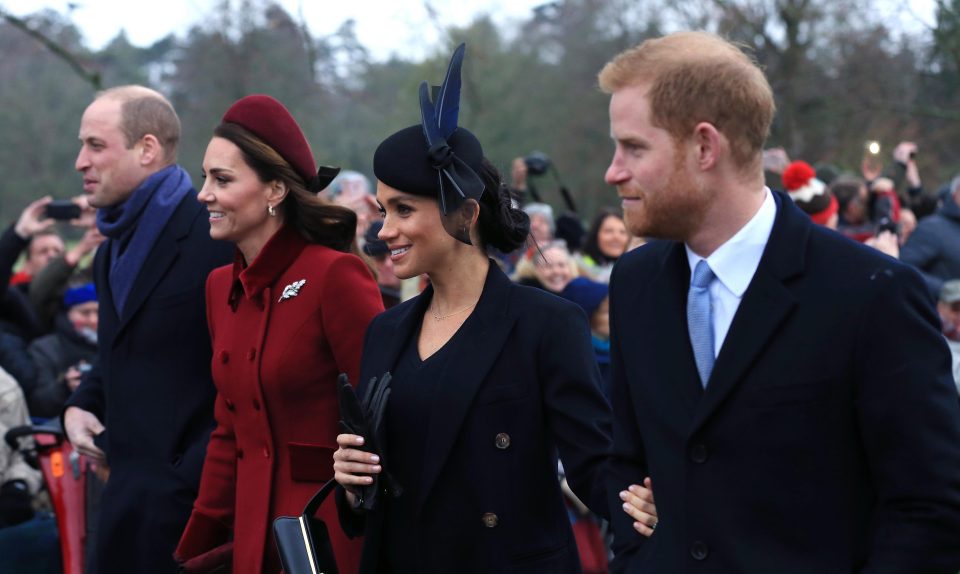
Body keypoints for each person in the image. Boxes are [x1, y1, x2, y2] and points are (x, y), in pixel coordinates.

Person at [600, 31, 960, 572]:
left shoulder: (871, 293)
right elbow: (626, 458)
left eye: (634, 147)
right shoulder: (635, 282)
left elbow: (930, 505)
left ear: (704, 146)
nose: (613, 171)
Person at [332, 44, 611, 573]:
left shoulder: (545, 324)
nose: (383, 229)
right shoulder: (384, 332)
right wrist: (353, 482)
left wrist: (652, 501)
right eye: (381, 209)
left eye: (403, 209)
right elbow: (380, 498)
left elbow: (595, 467)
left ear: (465, 213)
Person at [173, 94, 381, 573]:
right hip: (252, 535)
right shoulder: (219, 287)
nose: (204, 193)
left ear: (274, 191)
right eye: (205, 177)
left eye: (222, 179)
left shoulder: (335, 275)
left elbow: (381, 412)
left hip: (326, 533)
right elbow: (229, 430)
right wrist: (199, 539)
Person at [63, 85, 234, 574]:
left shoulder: (213, 236)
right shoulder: (110, 247)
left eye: (96, 145)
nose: (80, 161)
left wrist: (190, 474)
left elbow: (244, 365)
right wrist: (80, 406)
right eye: (82, 145)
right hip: (122, 505)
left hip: (193, 516)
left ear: (147, 149)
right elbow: (119, 352)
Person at [27, 282, 98, 418]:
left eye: (98, 312)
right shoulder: (46, 349)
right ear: (68, 314)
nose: (93, 320)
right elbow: (37, 404)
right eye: (85, 312)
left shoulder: (116, 346)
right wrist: (65, 387)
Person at [900, 174, 960, 300]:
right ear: (955, 194)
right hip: (938, 315)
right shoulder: (932, 227)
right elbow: (905, 268)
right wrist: (946, 290)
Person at [578, 209, 629, 282]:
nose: (616, 237)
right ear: (595, 235)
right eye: (609, 231)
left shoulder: (634, 267)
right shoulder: (577, 266)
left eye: (622, 232)